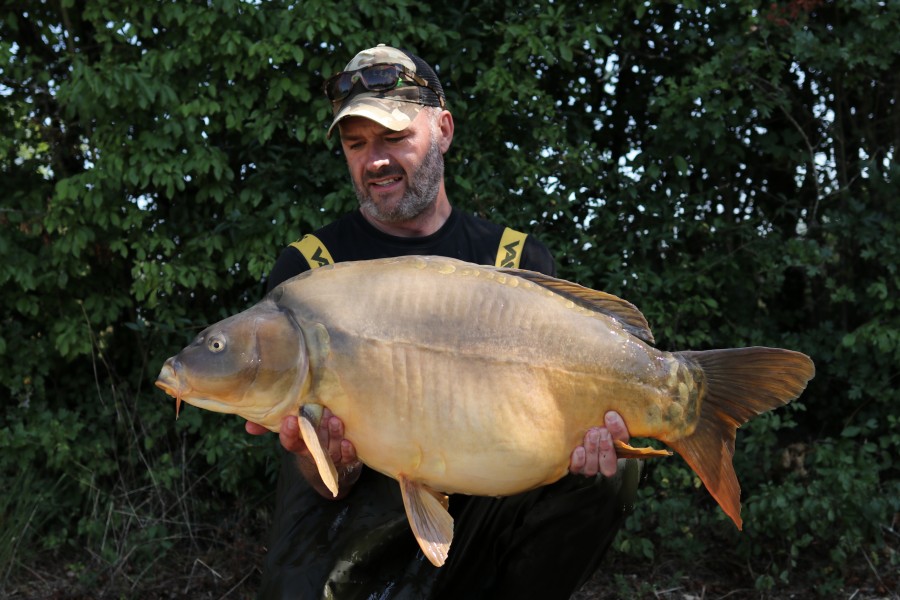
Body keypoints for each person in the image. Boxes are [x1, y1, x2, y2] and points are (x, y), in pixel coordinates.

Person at [245, 44, 641, 600]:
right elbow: (320, 482)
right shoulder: (310, 272)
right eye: (356, 144)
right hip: (351, 531)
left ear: (445, 129)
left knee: (608, 475)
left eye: (393, 137)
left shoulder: (514, 260)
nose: (374, 160)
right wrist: (325, 461)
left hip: (485, 503)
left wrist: (585, 443)